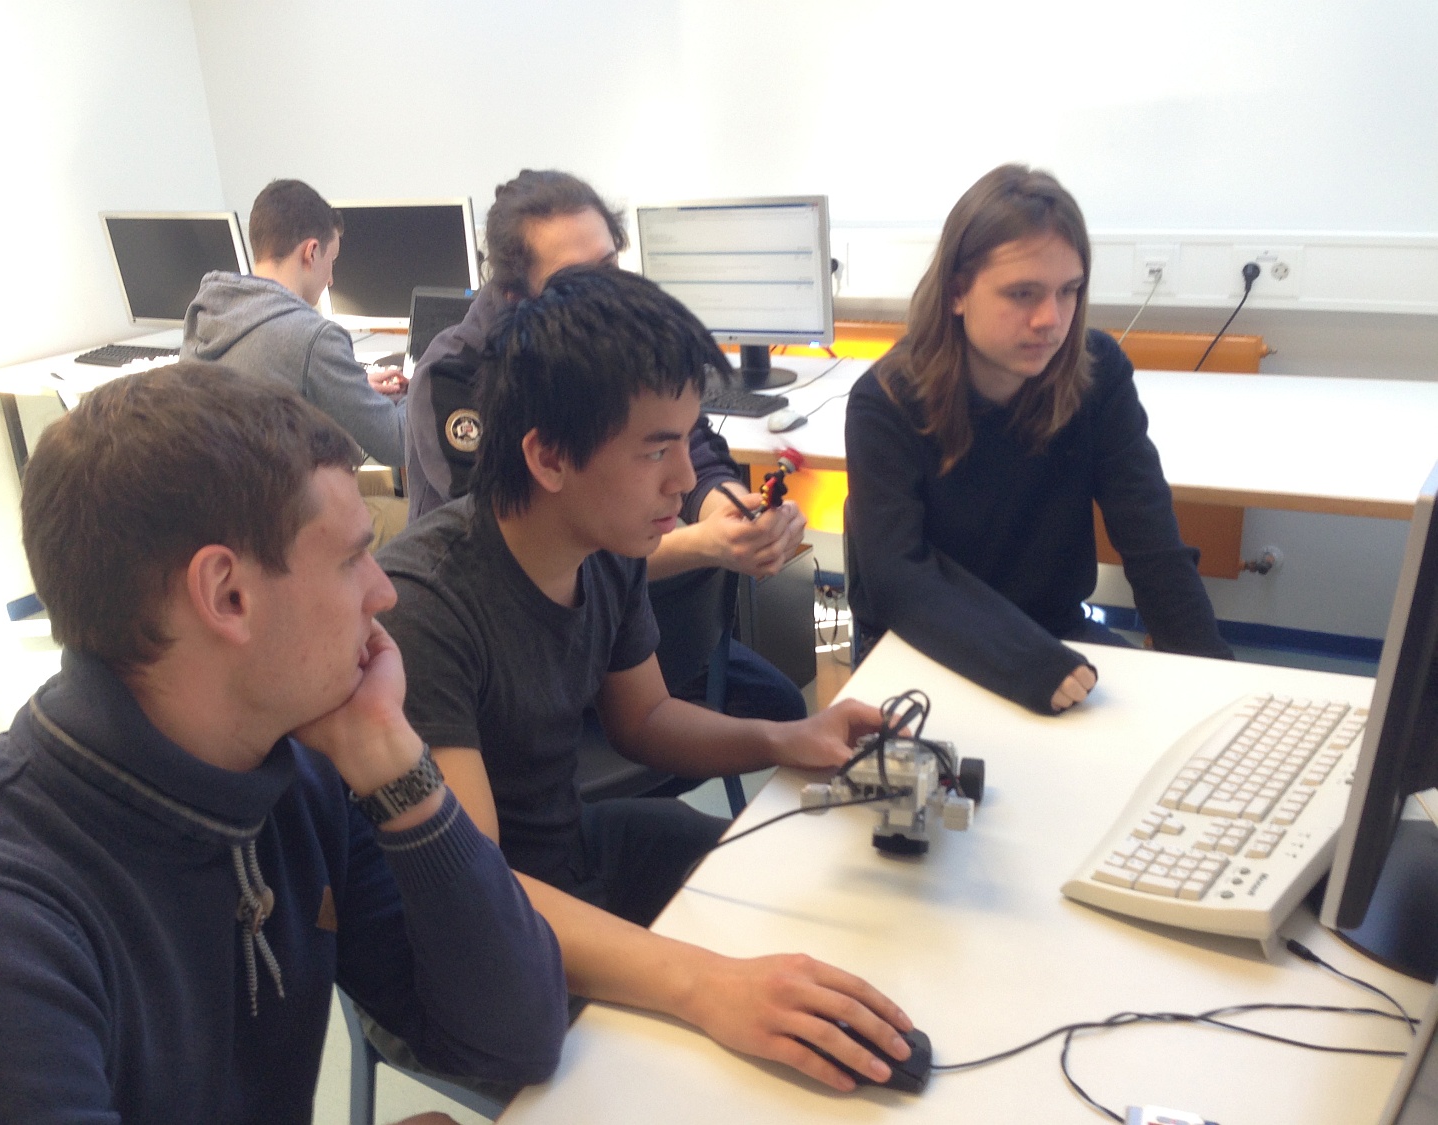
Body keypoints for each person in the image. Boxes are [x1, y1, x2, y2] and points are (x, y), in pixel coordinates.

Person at [0, 363, 567, 1123]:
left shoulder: (296, 770)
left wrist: (393, 756)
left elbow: (519, 1037)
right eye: (351, 559)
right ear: (227, 595)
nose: (384, 591)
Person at [379, 265, 918, 1092]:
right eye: (656, 449)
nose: (685, 480)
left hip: (565, 854)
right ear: (548, 456)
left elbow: (646, 719)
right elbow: (475, 889)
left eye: (687, 440)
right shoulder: (426, 608)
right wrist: (705, 983)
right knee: (708, 1064)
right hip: (464, 951)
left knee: (808, 903)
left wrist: (790, 735)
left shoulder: (605, 541)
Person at [406, 169, 807, 722]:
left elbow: (687, 440)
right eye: (578, 278)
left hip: (612, 613)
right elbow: (522, 550)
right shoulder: (457, 378)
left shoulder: (616, 344)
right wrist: (706, 544)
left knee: (779, 706)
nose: (608, 294)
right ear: (515, 295)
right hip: (514, 643)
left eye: (610, 267)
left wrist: (732, 512)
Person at [845, 164, 1232, 717]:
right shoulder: (886, 400)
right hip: (919, 641)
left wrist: (1216, 683)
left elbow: (1152, 544)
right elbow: (898, 581)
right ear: (956, 293)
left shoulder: (1098, 373)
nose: (1051, 319)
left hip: (1055, 635)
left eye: (1069, 291)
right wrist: (1028, 664)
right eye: (1023, 293)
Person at [182, 179, 408, 469]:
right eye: (332, 260)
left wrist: (352, 389)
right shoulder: (313, 338)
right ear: (311, 252)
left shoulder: (206, 312)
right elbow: (400, 444)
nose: (331, 280)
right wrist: (419, 389)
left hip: (220, 492)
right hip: (281, 496)